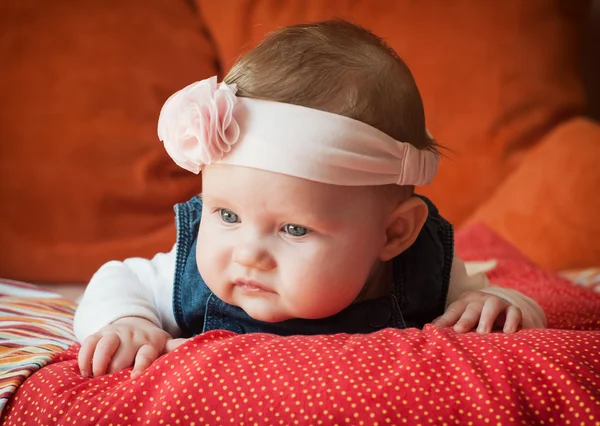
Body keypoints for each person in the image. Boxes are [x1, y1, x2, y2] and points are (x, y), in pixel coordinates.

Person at [74, 20, 546, 379]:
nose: (248, 254)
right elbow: (119, 278)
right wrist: (126, 320)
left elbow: (498, 309)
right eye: (227, 214)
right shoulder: (193, 274)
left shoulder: (420, 273)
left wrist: (504, 304)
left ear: (394, 233)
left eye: (293, 228)